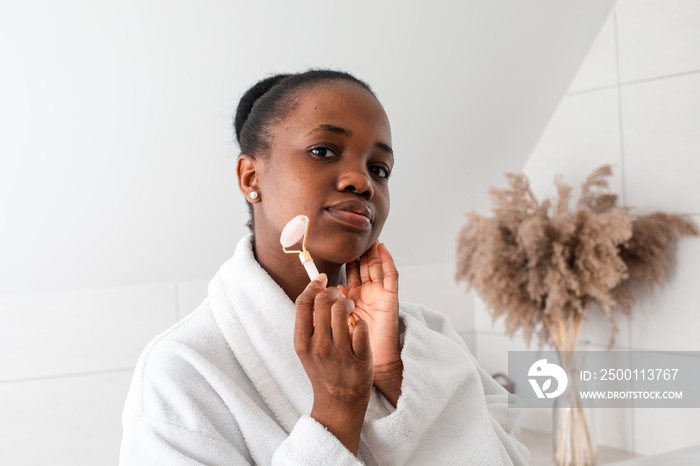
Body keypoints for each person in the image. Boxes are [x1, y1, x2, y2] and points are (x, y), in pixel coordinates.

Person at [119, 69, 530, 465]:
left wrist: (393, 372)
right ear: (250, 176)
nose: (362, 182)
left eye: (379, 169)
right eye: (323, 151)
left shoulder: (425, 339)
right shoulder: (183, 369)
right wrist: (337, 407)